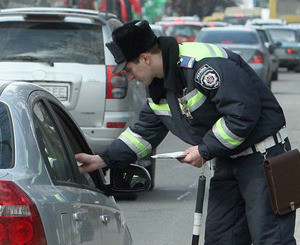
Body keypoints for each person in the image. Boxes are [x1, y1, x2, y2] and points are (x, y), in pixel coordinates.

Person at [75, 20, 296, 244]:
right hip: (228, 161)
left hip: (265, 158)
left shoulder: (203, 65)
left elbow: (242, 113)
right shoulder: (159, 87)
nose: (129, 77)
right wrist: (102, 159)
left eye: (129, 70)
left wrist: (204, 149)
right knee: (221, 239)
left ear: (145, 58)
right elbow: (143, 133)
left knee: (272, 239)